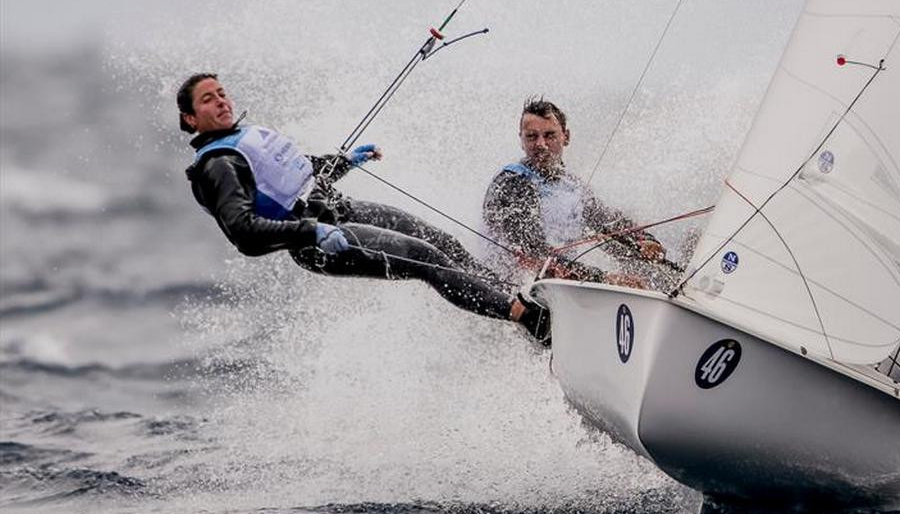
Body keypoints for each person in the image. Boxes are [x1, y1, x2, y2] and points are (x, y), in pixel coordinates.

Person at [177, 73, 549, 340]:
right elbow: (244, 234)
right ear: (190, 119)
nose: (221, 101)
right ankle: (525, 318)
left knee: (442, 241)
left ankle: (509, 294)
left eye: (221, 93)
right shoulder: (218, 165)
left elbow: (299, 172)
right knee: (425, 257)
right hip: (318, 242)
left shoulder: (245, 137)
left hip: (340, 209)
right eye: (207, 99)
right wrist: (313, 233)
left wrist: (342, 162)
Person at [482, 97, 669, 287]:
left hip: (560, 287)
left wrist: (644, 242)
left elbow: (608, 223)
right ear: (521, 140)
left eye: (549, 135)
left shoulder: (571, 186)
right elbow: (533, 253)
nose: (541, 144)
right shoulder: (511, 183)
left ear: (566, 137)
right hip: (508, 289)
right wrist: (604, 278)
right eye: (531, 136)